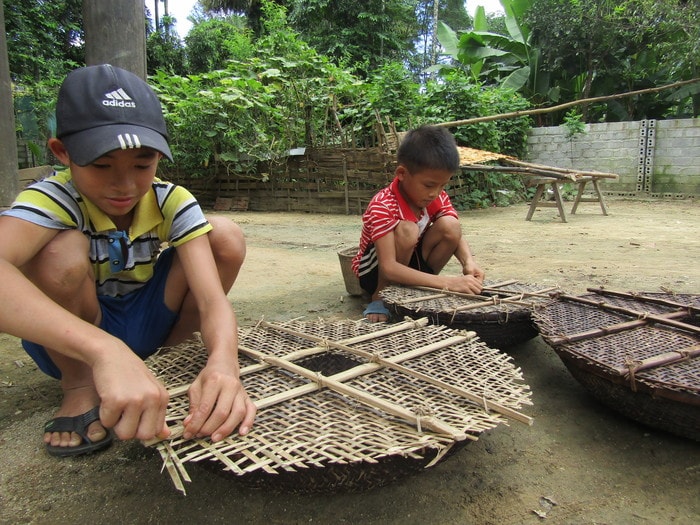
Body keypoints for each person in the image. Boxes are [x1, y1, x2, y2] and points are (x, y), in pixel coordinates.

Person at [0, 64, 256, 457]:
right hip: (73, 337)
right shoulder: (51, 198)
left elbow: (211, 300)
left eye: (142, 163)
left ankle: (168, 358)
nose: (124, 184)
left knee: (223, 236)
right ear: (62, 152)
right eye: (101, 164)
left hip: (145, 320)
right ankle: (80, 384)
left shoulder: (170, 199)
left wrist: (224, 362)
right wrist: (105, 350)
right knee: (57, 251)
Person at [352, 125, 485, 322]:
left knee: (451, 225)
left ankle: (414, 288)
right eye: (429, 185)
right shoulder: (383, 205)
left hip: (410, 263)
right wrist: (449, 283)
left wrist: (469, 263)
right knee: (408, 230)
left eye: (442, 185)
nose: (435, 193)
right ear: (402, 173)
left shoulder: (434, 197)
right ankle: (380, 297)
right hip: (375, 272)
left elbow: (455, 233)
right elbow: (388, 267)